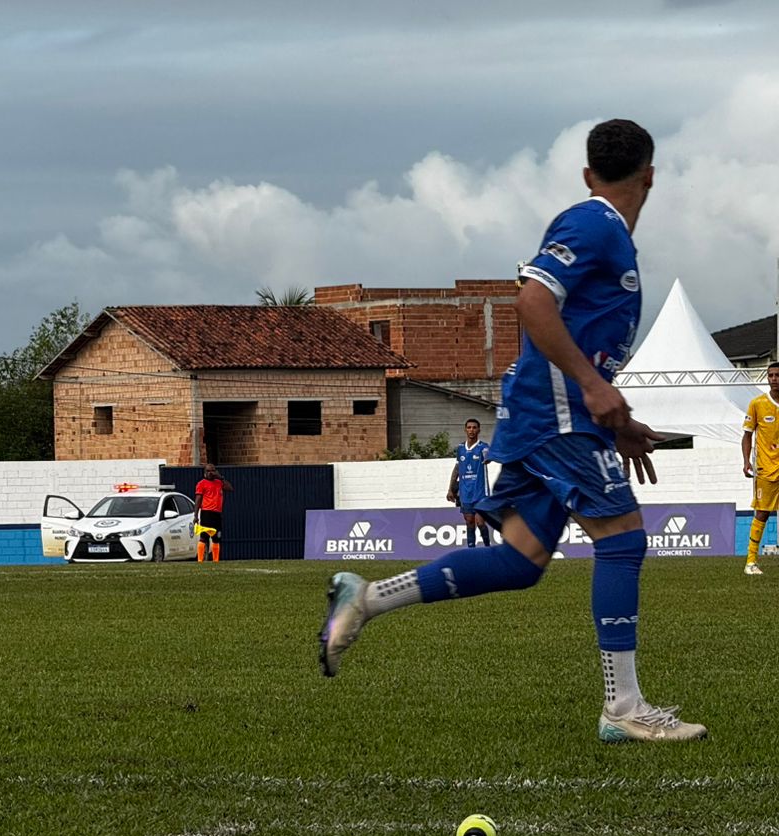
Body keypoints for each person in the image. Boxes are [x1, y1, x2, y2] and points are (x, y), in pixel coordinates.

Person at [319, 119, 707, 742]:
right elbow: (531, 302)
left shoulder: (601, 232)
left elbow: (575, 334)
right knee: (623, 539)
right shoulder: (595, 224)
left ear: (588, 172)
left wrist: (619, 420)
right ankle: (623, 707)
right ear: (651, 176)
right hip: (556, 415)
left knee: (521, 560)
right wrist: (592, 388)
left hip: (551, 415)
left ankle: (366, 600)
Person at [739, 362, 779, 575]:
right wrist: (746, 461)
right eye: (770, 375)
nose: (774, 379)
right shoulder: (757, 404)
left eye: (777, 375)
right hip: (766, 469)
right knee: (762, 512)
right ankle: (751, 562)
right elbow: (747, 435)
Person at [447, 419, 494, 547]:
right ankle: (471, 550)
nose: (471, 430)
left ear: (478, 430)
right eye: (469, 427)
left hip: (480, 492)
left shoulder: (483, 447)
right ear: (465, 430)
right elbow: (457, 468)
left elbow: (488, 456)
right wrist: (450, 489)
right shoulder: (460, 448)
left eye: (474, 427)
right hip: (465, 492)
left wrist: (488, 457)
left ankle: (487, 548)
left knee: (480, 522)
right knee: (469, 522)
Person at [193, 463, 232, 562]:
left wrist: (221, 478)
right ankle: (200, 560)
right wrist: (196, 515)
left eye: (213, 471)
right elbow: (198, 499)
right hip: (206, 513)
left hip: (217, 514)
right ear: (204, 473)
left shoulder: (219, 482)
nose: (211, 473)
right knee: (204, 537)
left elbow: (230, 488)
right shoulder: (201, 483)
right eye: (208, 471)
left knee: (216, 538)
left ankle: (215, 560)